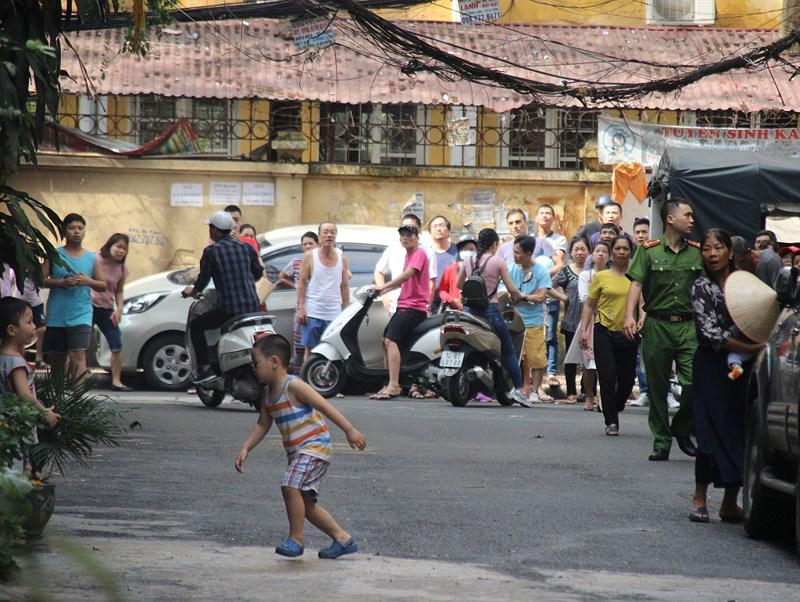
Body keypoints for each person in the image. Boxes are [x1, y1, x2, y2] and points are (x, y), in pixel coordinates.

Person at [234, 333, 366, 558]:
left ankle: (296, 538)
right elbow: (262, 424)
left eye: (256, 364)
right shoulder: (267, 394)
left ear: (274, 362)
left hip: (315, 447)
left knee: (289, 486)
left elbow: (324, 406)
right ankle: (343, 539)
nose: (254, 370)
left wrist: (349, 429)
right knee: (305, 505)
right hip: (299, 453)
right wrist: (246, 447)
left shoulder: (294, 386)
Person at [688, 229, 765, 523]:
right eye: (706, 249)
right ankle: (699, 497)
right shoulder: (701, 287)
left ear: (729, 251)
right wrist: (751, 346)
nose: (712, 254)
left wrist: (754, 346)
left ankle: (730, 502)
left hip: (744, 367)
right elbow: (709, 334)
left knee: (739, 430)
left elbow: (762, 314)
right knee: (707, 432)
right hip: (711, 364)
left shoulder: (745, 283)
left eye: (717, 247)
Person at [624, 199, 703, 462]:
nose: (692, 220)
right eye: (687, 215)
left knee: (694, 382)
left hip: (688, 325)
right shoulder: (649, 251)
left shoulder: (697, 252)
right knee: (657, 387)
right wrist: (629, 316)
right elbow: (636, 284)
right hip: (656, 324)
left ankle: (681, 427)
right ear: (671, 219)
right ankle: (661, 441)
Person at [182, 211, 263, 383]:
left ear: (215, 231)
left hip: (229, 309)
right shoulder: (246, 248)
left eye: (210, 228)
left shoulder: (211, 251)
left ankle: (205, 368)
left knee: (197, 326)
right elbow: (258, 273)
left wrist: (191, 291)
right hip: (252, 307)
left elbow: (202, 281)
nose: (209, 231)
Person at [457, 228, 529, 407]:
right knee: (508, 350)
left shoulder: (468, 260)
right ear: (495, 244)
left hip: (468, 312)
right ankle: (519, 389)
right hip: (491, 311)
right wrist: (519, 296)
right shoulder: (498, 261)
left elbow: (459, 284)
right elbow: (512, 289)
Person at [580, 236, 637, 436]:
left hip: (629, 333)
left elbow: (644, 303)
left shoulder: (637, 277)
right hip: (603, 330)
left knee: (628, 379)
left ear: (631, 252)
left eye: (625, 249)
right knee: (607, 375)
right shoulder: (602, 277)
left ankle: (617, 403)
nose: (622, 252)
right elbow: (589, 304)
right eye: (618, 248)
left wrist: (642, 322)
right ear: (612, 252)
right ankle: (611, 421)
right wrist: (584, 330)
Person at [42, 213, 107, 380]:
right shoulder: (54, 254)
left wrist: (87, 281)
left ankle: (78, 400)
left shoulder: (91, 258)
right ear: (65, 232)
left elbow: (103, 285)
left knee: (78, 354)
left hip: (81, 314)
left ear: (85, 232)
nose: (76, 232)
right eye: (71, 228)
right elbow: (40, 280)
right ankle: (58, 398)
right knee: (57, 359)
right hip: (57, 314)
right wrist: (60, 283)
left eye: (80, 228)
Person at [370, 224, 430, 400]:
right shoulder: (408, 255)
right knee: (385, 341)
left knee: (391, 340)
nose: (405, 238)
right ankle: (390, 382)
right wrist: (381, 291)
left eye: (409, 235)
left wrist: (382, 286)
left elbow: (407, 275)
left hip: (414, 308)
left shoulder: (419, 254)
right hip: (404, 305)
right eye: (403, 235)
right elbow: (400, 282)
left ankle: (394, 385)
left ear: (417, 237)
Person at [1, 297, 60, 474]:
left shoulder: (4, 357)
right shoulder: (16, 363)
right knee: (15, 467)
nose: (34, 326)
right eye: (29, 322)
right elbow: (24, 394)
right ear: (12, 330)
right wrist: (44, 413)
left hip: (6, 421)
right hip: (17, 425)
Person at [565, 241, 609, 411]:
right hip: (591, 321)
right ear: (592, 254)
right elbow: (585, 298)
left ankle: (604, 396)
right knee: (589, 362)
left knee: (606, 363)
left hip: (610, 321)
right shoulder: (586, 276)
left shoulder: (615, 275)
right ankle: (589, 395)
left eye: (605, 251)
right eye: (598, 251)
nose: (601, 254)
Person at [296, 223, 350, 362]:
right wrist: (301, 308)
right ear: (319, 236)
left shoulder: (342, 258)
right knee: (310, 351)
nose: (329, 235)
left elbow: (344, 286)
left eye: (332, 232)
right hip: (313, 312)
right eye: (325, 232)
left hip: (334, 314)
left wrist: (346, 313)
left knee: (332, 352)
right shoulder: (310, 256)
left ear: (336, 236)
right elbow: (302, 283)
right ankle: (307, 382)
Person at [510, 236, 551, 404]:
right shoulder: (510, 269)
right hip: (514, 321)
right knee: (516, 357)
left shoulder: (541, 271)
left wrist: (524, 296)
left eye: (517, 252)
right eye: (513, 251)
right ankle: (518, 389)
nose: (514, 255)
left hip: (534, 321)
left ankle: (534, 391)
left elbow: (542, 296)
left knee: (536, 359)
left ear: (528, 253)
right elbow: (503, 291)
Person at [374, 214, 437, 315]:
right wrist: (384, 293)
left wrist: (427, 306)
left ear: (418, 232)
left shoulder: (424, 252)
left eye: (410, 230)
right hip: (396, 304)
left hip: (414, 307)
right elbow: (379, 271)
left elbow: (410, 276)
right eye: (403, 232)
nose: (405, 236)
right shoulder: (395, 250)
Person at [91, 233, 131, 392]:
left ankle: (116, 381)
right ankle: (74, 379)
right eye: (118, 246)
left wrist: (119, 308)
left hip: (107, 309)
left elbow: (119, 291)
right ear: (110, 245)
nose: (121, 251)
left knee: (116, 343)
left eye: (124, 249)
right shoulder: (95, 259)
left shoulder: (121, 268)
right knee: (79, 343)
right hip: (89, 305)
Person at [551, 236, 589, 401]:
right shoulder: (566, 271)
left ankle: (587, 391)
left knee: (588, 358)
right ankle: (571, 392)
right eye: (576, 249)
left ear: (589, 252)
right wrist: (563, 297)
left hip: (589, 323)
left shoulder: (593, 272)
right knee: (571, 358)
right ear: (571, 253)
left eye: (583, 249)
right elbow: (548, 285)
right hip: (571, 321)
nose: (580, 253)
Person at [535, 204, 567, 389]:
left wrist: (541, 277)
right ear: (536, 217)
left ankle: (552, 372)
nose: (545, 215)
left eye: (548, 213)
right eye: (542, 212)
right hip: (531, 294)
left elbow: (560, 264)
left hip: (551, 293)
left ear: (553, 218)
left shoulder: (559, 240)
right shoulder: (530, 240)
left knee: (550, 335)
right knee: (532, 334)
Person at [279, 232, 320, 369]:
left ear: (317, 244)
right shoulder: (296, 262)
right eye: (305, 244)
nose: (308, 246)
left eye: (311, 243)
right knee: (299, 348)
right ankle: (298, 377)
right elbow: (283, 276)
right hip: (301, 310)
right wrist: (296, 286)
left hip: (317, 310)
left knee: (315, 347)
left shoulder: (322, 262)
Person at [437, 235, 476, 311]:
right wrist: (452, 300)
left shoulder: (481, 268)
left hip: (476, 312)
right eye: (465, 249)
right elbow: (442, 291)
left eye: (471, 249)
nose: (468, 252)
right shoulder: (451, 268)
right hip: (455, 312)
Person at [428, 215, 458, 313]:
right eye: (435, 226)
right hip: (431, 299)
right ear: (430, 232)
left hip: (454, 301)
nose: (438, 229)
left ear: (449, 231)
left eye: (441, 225)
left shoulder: (458, 250)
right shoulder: (425, 254)